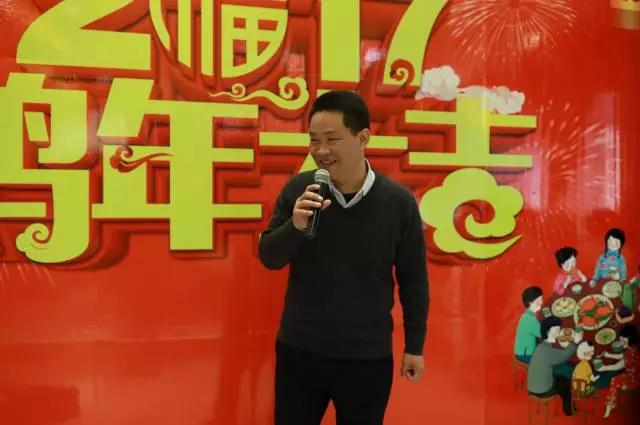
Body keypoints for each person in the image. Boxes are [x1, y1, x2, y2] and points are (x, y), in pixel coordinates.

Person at [258, 90, 429, 425]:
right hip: (300, 351)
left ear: (363, 138)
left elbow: (413, 281)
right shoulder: (300, 190)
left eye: (332, 139)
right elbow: (269, 257)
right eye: (314, 140)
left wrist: (415, 346)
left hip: (366, 356)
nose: (321, 151)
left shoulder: (398, 202)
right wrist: (296, 225)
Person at [527, 316, 582, 416]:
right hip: (542, 391)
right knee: (565, 382)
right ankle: (568, 411)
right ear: (548, 330)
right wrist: (575, 342)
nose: (558, 331)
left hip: (532, 387)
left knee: (559, 376)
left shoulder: (541, 346)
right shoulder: (547, 351)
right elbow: (565, 355)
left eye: (558, 328)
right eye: (556, 329)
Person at [595, 324, 640, 418]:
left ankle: (609, 407)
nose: (621, 341)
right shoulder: (632, 348)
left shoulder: (631, 352)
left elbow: (617, 366)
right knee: (617, 379)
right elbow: (622, 356)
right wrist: (608, 355)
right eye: (621, 338)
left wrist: (604, 368)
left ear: (631, 338)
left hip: (634, 379)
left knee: (614, 380)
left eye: (624, 339)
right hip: (633, 375)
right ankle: (613, 403)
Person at [514, 286, 543, 363]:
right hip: (525, 355)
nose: (541, 302)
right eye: (539, 300)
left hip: (523, 352)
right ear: (531, 302)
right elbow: (543, 333)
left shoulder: (528, 315)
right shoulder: (529, 318)